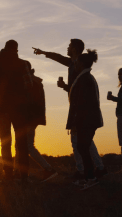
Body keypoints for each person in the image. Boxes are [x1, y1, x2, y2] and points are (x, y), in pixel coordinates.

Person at [33, 40, 107, 182]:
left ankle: (83, 171)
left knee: (78, 141)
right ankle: (98, 168)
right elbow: (58, 58)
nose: (67, 48)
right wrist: (65, 86)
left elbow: (80, 92)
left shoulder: (78, 67)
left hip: (79, 109)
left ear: (74, 49)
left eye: (69, 46)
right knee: (86, 142)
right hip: (78, 107)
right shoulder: (76, 65)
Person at [0, 40, 33, 185]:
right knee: (22, 143)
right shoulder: (23, 64)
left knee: (5, 142)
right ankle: (24, 177)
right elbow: (29, 85)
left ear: (4, 48)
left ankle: (8, 176)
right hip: (20, 109)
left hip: (1, 108)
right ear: (16, 50)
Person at [67, 49, 103, 190]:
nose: (74, 64)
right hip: (88, 119)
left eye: (76, 62)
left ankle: (91, 178)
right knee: (83, 147)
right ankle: (89, 177)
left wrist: (76, 122)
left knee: (83, 147)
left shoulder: (85, 79)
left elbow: (81, 103)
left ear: (81, 63)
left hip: (86, 120)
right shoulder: (85, 77)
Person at [13, 69, 58, 183]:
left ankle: (48, 169)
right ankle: (17, 172)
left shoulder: (31, 84)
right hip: (31, 119)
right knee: (21, 146)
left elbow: (27, 103)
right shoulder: (36, 83)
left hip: (28, 119)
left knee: (27, 146)